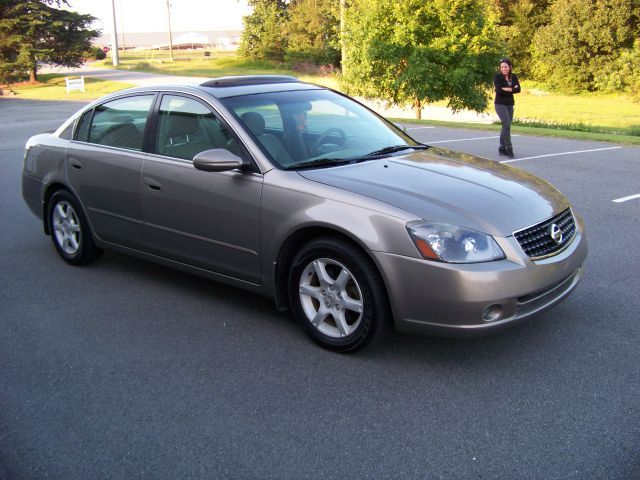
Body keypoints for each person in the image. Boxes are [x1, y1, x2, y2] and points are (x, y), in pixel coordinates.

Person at [494, 58, 521, 158]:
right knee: (507, 124)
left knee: (506, 126)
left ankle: (501, 147)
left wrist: (507, 89)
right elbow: (499, 91)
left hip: (510, 104)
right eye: (501, 67)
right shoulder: (498, 77)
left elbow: (519, 89)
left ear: (510, 67)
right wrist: (512, 89)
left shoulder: (513, 77)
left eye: (505, 67)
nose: (503, 69)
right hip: (500, 104)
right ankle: (509, 148)